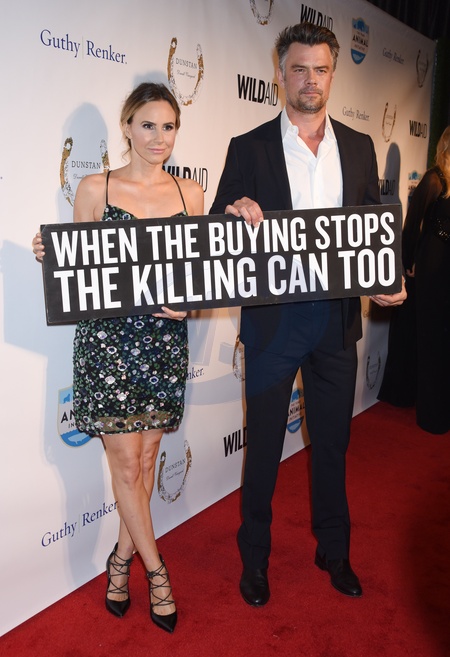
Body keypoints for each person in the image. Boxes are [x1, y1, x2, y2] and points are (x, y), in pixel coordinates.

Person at [210, 22, 406, 606]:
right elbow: (217, 226)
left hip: (336, 323)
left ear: (333, 75)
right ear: (280, 74)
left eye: (320, 69)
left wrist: (387, 278)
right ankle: (255, 559)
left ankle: (334, 550)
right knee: (264, 449)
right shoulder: (249, 147)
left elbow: (371, 229)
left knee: (333, 443)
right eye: (299, 69)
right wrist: (233, 212)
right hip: (273, 325)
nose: (310, 80)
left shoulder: (360, 146)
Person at [32, 82, 204, 632]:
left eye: (168, 126)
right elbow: (78, 273)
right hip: (108, 349)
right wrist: (50, 255)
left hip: (163, 345)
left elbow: (199, 278)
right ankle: (157, 572)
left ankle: (118, 560)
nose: (158, 137)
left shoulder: (190, 195)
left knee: (147, 463)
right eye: (148, 125)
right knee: (127, 466)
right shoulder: (94, 188)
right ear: (127, 126)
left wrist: (190, 305)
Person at [396, 125, 450, 433]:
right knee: (432, 338)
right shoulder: (434, 179)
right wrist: (409, 262)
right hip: (433, 265)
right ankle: (432, 414)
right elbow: (413, 223)